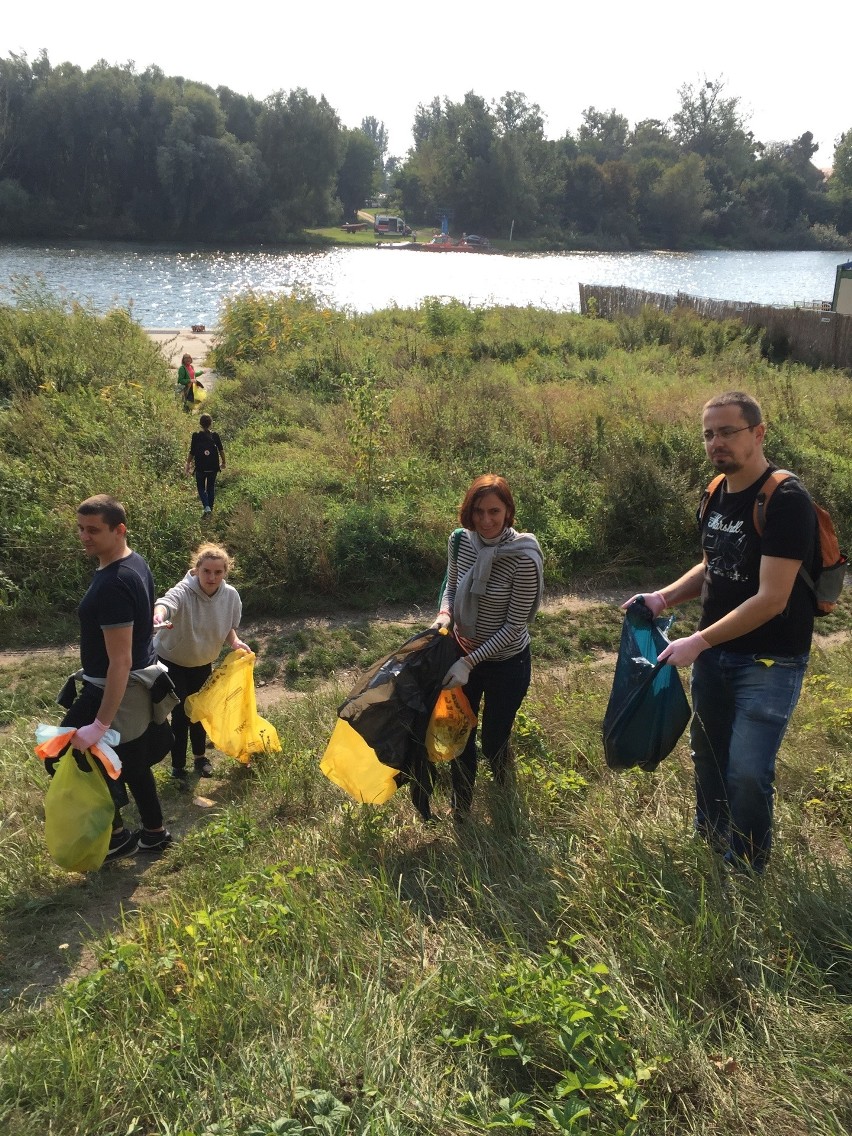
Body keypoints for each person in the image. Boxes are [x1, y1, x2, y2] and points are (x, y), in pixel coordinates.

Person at [622, 391, 818, 873]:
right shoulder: (716, 492)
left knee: (748, 770)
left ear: (758, 433)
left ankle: (748, 863)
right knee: (707, 755)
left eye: (727, 432)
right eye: (709, 434)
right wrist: (663, 599)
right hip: (713, 657)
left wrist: (699, 641)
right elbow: (714, 566)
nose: (716, 443)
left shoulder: (787, 499)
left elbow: (773, 598)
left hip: (769, 661)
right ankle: (710, 840)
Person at [56, 495, 177, 860]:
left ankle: (117, 834)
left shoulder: (113, 583)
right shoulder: (133, 561)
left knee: (66, 753)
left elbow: (120, 661)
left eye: (93, 530)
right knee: (132, 759)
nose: (84, 537)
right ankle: (154, 833)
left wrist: (100, 722)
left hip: (114, 688)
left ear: (118, 530)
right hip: (135, 683)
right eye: (80, 528)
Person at [431, 474, 544, 822]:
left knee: (495, 738)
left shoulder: (523, 557)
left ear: (508, 511)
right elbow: (451, 585)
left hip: (507, 664)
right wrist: (444, 615)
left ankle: (504, 795)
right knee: (458, 735)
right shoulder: (460, 541)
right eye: (478, 512)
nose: (486, 520)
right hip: (461, 654)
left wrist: (472, 661)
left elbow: (514, 626)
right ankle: (461, 806)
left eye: (494, 511)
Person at [153, 542, 249, 781]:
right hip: (171, 661)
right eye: (207, 571)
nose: (212, 576)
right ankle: (177, 766)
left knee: (199, 712)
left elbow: (229, 628)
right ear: (196, 569)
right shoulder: (184, 591)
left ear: (225, 572)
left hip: (202, 663)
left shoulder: (230, 596)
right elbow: (167, 602)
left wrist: (235, 642)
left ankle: (200, 758)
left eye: (218, 572)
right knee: (181, 714)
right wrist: (159, 615)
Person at [187, 413, 225, 516]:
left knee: (200, 488)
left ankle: (206, 507)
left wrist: (188, 463)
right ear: (210, 423)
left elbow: (192, 451)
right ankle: (210, 510)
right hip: (213, 466)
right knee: (210, 487)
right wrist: (223, 462)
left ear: (200, 423)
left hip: (200, 466)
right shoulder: (215, 435)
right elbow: (221, 450)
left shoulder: (196, 435)